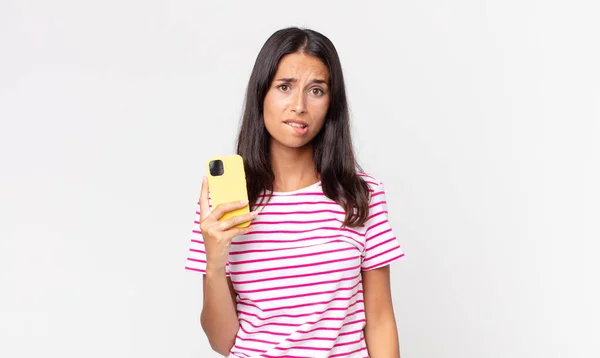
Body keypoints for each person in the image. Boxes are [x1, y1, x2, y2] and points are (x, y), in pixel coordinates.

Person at [185, 27, 404, 358]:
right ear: (262, 93)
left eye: (316, 90)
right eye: (285, 87)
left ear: (331, 103)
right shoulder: (223, 203)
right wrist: (215, 261)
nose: (299, 105)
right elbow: (221, 341)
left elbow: (380, 320)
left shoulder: (360, 194)